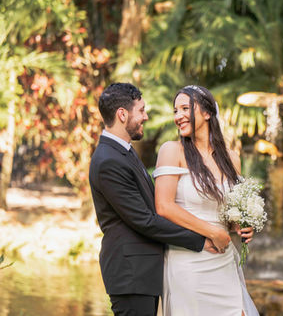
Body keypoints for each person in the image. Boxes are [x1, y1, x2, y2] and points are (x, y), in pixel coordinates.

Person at [89, 83, 219, 316]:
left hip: (142, 273)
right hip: (131, 273)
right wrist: (200, 240)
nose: (145, 117)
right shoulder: (109, 160)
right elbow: (144, 220)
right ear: (122, 114)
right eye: (141, 110)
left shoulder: (123, 152)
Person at [153, 85, 259, 316]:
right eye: (175, 111)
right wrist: (212, 232)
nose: (178, 116)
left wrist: (240, 226)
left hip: (223, 259)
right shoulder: (172, 151)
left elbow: (228, 214)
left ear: (207, 113)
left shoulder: (231, 158)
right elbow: (163, 207)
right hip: (188, 261)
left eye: (184, 108)